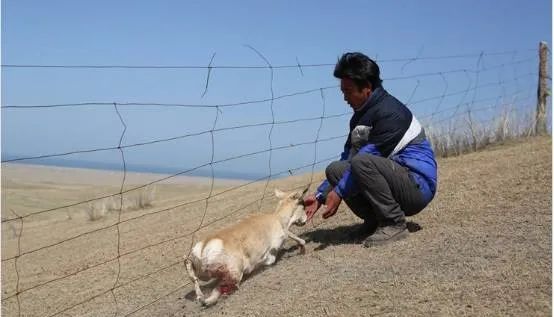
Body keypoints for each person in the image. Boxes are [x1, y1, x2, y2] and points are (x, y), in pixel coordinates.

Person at [303, 52, 437, 247]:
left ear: (366, 88)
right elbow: (347, 158)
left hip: (417, 186)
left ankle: (393, 223)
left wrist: (339, 192)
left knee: (361, 162)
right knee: (336, 169)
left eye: (347, 91)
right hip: (391, 175)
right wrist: (320, 196)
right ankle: (375, 221)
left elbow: (366, 158)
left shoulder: (391, 113)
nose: (344, 98)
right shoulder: (359, 117)